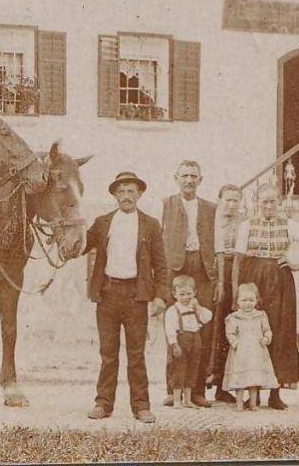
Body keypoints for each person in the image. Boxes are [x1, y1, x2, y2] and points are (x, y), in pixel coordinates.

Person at [82, 170, 169, 424]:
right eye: (121, 191)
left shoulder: (150, 224)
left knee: (136, 354)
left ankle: (141, 406)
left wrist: (161, 296)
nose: (126, 196)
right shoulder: (102, 222)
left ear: (140, 194)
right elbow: (81, 245)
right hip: (107, 295)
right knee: (108, 354)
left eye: (131, 191)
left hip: (136, 297)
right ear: (114, 195)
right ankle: (103, 403)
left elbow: (161, 265)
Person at [231, 182, 299, 408]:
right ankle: (254, 393)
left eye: (273, 201)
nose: (268, 205)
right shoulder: (247, 226)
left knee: (280, 334)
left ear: (279, 203)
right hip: (254, 282)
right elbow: (238, 261)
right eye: (264, 201)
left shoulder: (290, 225)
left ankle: (275, 394)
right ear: (258, 203)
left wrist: (297, 265)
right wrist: (236, 292)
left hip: (281, 284)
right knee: (252, 333)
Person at [160, 159, 216, 407]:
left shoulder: (211, 208)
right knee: (175, 331)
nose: (189, 180)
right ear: (176, 178)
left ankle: (197, 391)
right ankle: (173, 390)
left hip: (202, 268)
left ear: (200, 180)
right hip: (176, 268)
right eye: (184, 176)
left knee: (199, 332)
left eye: (194, 176)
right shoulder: (165, 205)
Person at [208, 183, 244, 403]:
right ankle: (202, 381)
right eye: (227, 200)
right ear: (219, 200)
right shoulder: (211, 221)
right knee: (211, 327)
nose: (231, 204)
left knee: (227, 328)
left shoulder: (244, 222)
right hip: (213, 274)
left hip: (236, 274)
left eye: (235, 200)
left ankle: (224, 385)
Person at [223, 282, 277, 411]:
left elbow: (267, 330)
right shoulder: (234, 317)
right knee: (240, 379)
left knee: (254, 379)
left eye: (251, 300)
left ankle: (253, 403)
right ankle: (239, 403)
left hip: (256, 352)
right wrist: (235, 343)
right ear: (237, 302)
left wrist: (266, 338)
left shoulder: (260, 316)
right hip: (241, 353)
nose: (248, 303)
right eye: (244, 300)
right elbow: (230, 333)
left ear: (257, 300)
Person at [163, 275, 213, 409]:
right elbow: (169, 329)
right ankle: (177, 400)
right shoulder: (173, 310)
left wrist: (197, 306)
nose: (185, 297)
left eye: (189, 294)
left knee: (192, 370)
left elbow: (208, 317)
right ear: (174, 294)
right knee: (179, 370)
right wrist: (174, 344)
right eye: (182, 294)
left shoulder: (194, 308)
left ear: (195, 293)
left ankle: (188, 399)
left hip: (195, 341)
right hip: (181, 341)